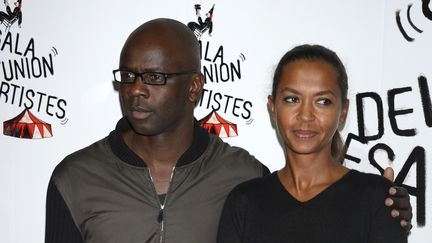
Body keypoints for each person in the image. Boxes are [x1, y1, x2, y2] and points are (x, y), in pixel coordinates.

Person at [45, 19, 411, 243]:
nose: (137, 89)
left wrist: (381, 201)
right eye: (128, 76)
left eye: (155, 77)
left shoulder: (241, 178)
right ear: (273, 106)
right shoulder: (75, 178)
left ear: (193, 88)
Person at [217, 44, 408, 243]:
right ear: (273, 107)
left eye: (323, 101)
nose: (306, 115)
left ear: (343, 111)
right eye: (292, 99)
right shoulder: (245, 201)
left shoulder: (377, 199)